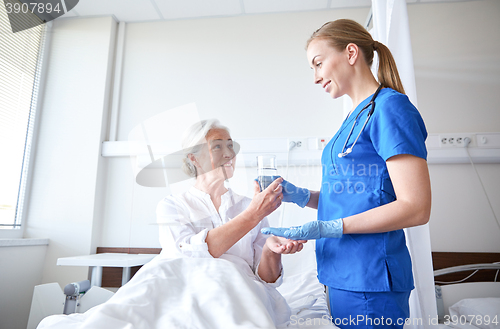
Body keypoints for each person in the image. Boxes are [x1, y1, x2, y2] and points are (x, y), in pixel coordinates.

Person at [262, 19, 431, 328]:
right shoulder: (354, 117)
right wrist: (301, 196)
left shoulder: (390, 109)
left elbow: (416, 207)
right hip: (338, 271)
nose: (315, 78)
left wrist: (329, 227)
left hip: (369, 275)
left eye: (318, 64)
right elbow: (358, 197)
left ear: (351, 52)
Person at [156, 119, 306, 326]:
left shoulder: (250, 205)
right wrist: (253, 215)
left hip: (239, 293)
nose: (229, 154)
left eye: (230, 145)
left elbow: (266, 280)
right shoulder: (173, 206)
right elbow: (186, 256)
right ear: (194, 158)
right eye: (217, 146)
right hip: (189, 290)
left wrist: (271, 251)